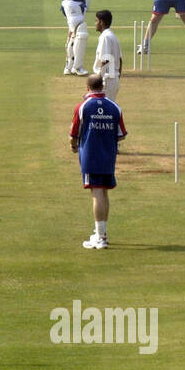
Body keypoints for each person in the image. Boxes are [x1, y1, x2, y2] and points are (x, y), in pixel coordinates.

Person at [70, 73, 127, 250]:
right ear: (102, 86)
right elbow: (121, 135)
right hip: (108, 156)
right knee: (104, 193)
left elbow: (73, 134)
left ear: (88, 88)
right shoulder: (114, 107)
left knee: (96, 193)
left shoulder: (83, 106)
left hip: (90, 156)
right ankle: (102, 233)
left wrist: (73, 146)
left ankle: (100, 238)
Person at [60, 0, 95, 76]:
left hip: (80, 5)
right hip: (70, 3)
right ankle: (77, 67)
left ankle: (68, 66)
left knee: (73, 35)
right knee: (82, 33)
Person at [93, 10, 122, 101]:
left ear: (101, 22)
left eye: (96, 21)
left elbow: (105, 60)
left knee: (103, 111)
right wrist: (117, 77)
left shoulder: (105, 37)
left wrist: (98, 80)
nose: (95, 23)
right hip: (112, 79)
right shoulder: (112, 36)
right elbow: (120, 60)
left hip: (106, 80)